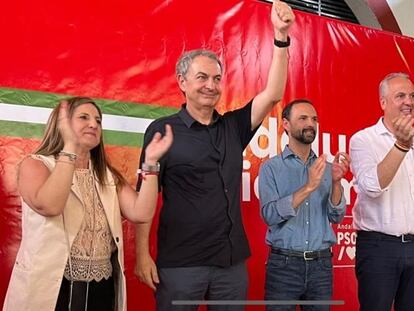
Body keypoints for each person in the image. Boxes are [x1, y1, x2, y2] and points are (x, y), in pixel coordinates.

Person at [133, 1, 295, 310]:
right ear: (182, 82)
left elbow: (273, 94)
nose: (211, 85)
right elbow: (145, 197)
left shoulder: (234, 126)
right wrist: (142, 254)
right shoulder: (162, 130)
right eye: (202, 78)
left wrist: (280, 36)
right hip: (181, 265)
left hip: (230, 265)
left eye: (217, 78)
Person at [3, 96, 173, 311]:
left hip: (100, 290)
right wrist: (70, 148)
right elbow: (50, 206)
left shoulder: (106, 175)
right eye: (84, 117)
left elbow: (141, 212)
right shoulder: (36, 164)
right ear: (61, 124)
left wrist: (150, 164)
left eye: (98, 121)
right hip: (51, 289)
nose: (93, 124)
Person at [258, 99, 349, 311]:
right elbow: (269, 215)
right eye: (303, 118)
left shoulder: (327, 168)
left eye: (314, 119)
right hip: (284, 267)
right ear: (286, 125)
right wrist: (308, 187)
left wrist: (336, 183)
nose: (311, 123)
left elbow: (336, 216)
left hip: (321, 267)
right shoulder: (271, 168)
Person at [350, 72, 414, 311]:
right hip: (379, 248)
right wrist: (401, 146)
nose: (408, 101)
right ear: (383, 103)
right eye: (400, 96)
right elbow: (372, 187)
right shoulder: (364, 140)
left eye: (412, 95)